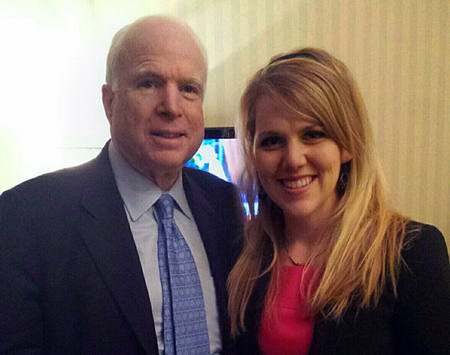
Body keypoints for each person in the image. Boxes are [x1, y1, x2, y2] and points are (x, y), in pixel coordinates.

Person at [0, 16, 243, 354]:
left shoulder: (225, 203)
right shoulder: (27, 216)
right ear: (109, 101)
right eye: (148, 83)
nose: (172, 107)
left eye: (189, 88)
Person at [227, 47, 450, 354]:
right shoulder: (245, 253)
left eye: (313, 134)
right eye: (272, 141)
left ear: (347, 146)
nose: (293, 159)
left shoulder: (411, 253)